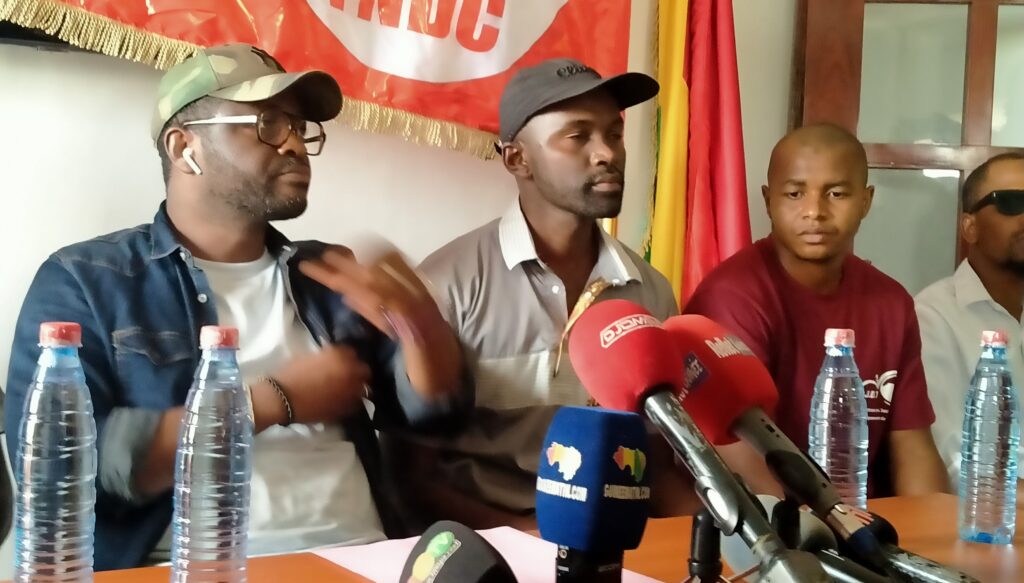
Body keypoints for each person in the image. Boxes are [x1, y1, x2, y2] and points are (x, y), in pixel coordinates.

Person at [4, 43, 468, 570]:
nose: (294, 143)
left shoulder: (325, 275)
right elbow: (58, 469)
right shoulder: (88, 281)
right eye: (268, 123)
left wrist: (421, 329)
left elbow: (434, 418)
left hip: (363, 558)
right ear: (185, 148)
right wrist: (274, 401)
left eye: (300, 127)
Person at [387, 58, 688, 531]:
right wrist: (533, 540)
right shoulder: (448, 287)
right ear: (516, 159)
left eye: (614, 134)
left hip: (619, 543)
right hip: (493, 546)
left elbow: (656, 461)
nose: (606, 153)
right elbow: (411, 481)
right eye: (578, 136)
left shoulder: (650, 291)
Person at [683, 123, 949, 498]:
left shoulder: (892, 302)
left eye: (836, 193)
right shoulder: (731, 296)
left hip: (863, 517)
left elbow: (913, 446)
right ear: (768, 201)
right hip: (773, 520)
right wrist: (824, 527)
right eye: (795, 194)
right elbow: (739, 459)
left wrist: (931, 526)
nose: (815, 212)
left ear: (866, 201)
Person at [916, 152, 1024, 490]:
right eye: (1012, 203)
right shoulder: (932, 316)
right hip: (989, 514)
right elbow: (953, 458)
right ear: (969, 227)